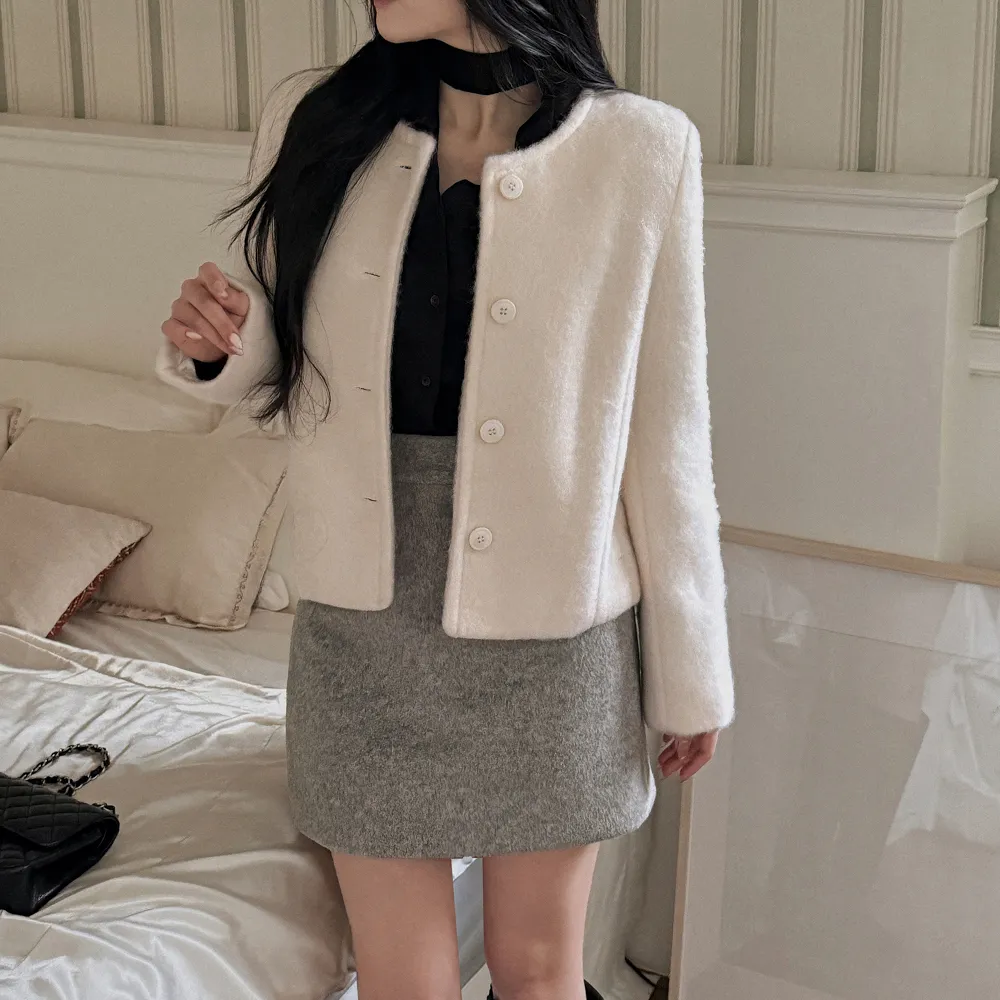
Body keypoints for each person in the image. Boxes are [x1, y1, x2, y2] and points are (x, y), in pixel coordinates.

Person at [156, 2, 735, 998]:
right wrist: (215, 345)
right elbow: (272, 355)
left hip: (554, 636)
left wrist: (691, 674)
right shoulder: (315, 116)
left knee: (538, 970)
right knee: (402, 981)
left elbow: (668, 433)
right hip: (362, 625)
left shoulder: (642, 148)